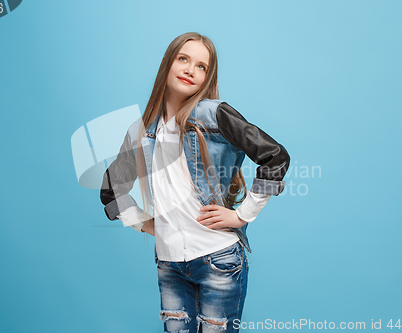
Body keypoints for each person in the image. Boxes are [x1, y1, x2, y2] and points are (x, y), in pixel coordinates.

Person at [100, 32, 290, 332]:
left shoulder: (214, 114)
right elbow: (111, 188)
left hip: (219, 260)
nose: (190, 69)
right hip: (169, 263)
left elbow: (275, 157)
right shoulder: (140, 130)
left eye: (201, 66)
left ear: (207, 77)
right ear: (167, 63)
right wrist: (141, 222)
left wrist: (243, 214)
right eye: (184, 59)